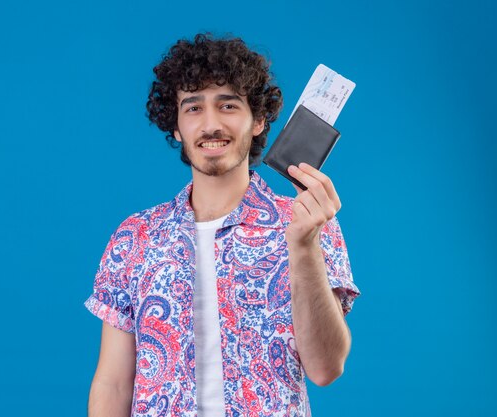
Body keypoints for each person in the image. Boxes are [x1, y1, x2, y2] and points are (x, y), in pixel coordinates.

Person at [84, 32, 361, 417]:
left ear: (259, 121)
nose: (211, 124)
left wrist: (302, 246)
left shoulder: (308, 223)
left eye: (228, 105)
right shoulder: (136, 238)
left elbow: (326, 368)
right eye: (193, 108)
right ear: (176, 127)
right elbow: (113, 382)